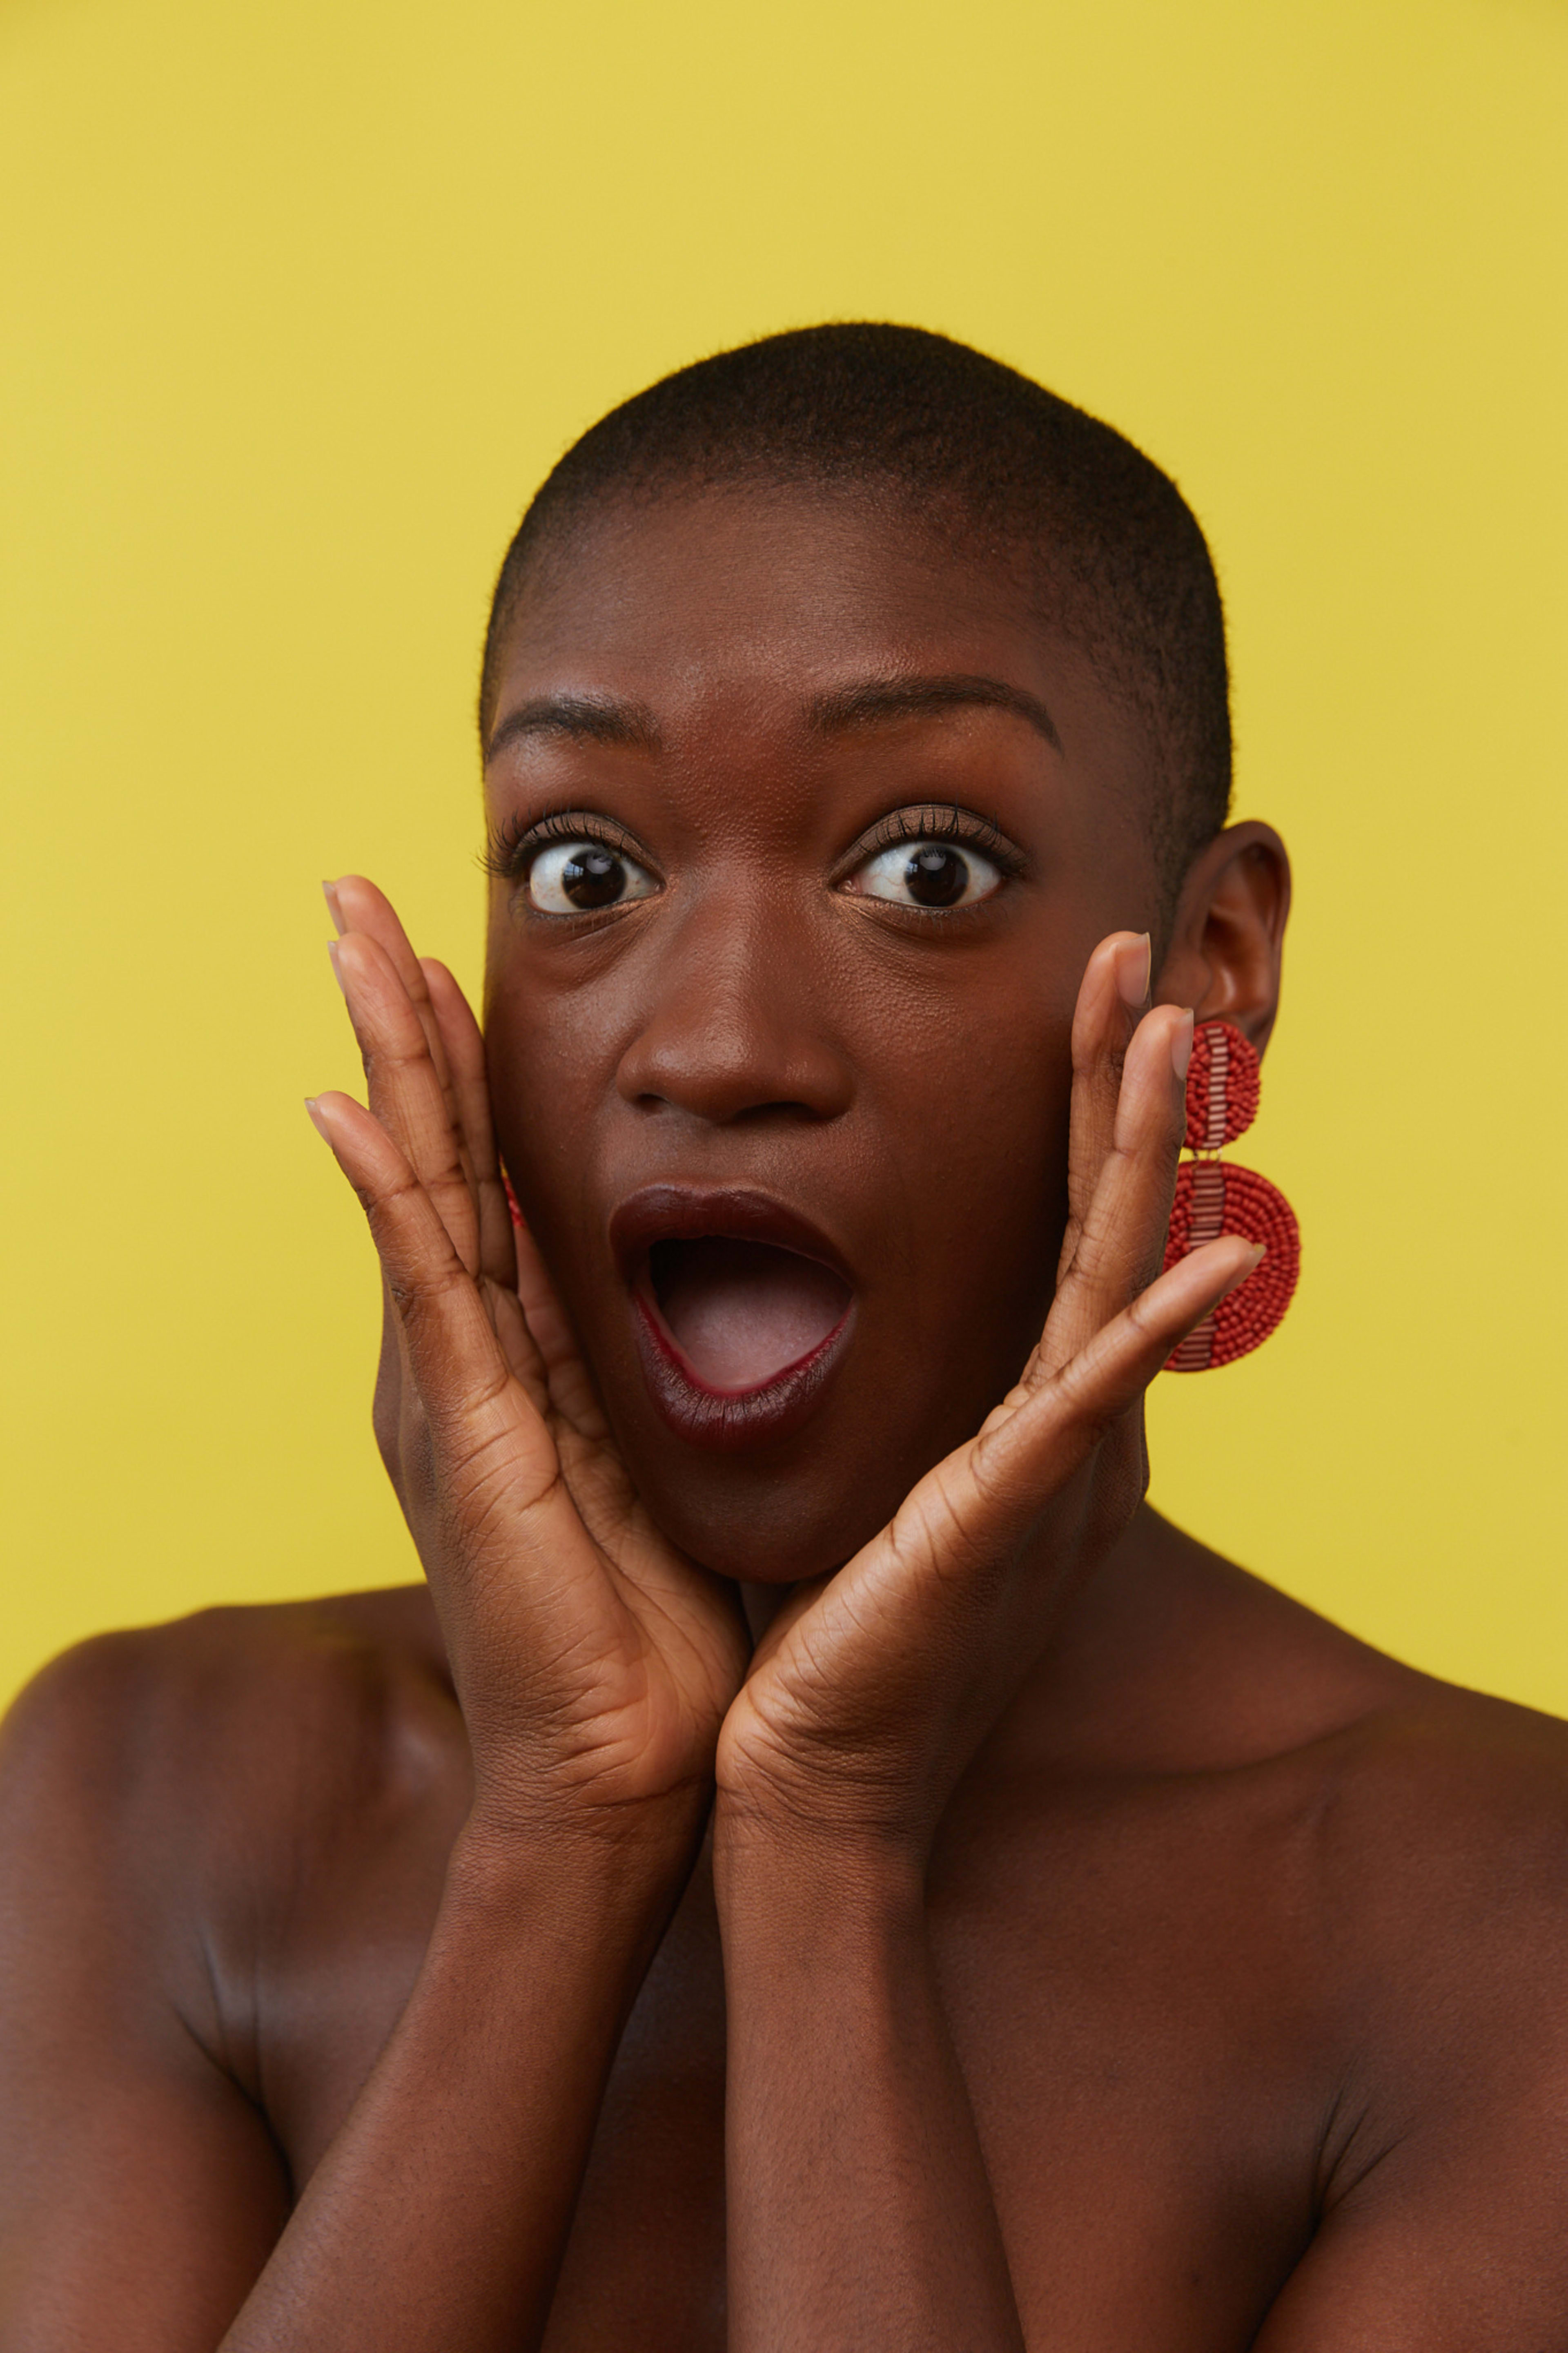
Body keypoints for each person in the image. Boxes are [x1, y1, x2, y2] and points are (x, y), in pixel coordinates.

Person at [2, 324, 1566, 2353]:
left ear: (1214, 963)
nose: (716, 1042)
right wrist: (561, 1831)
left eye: (925, 869)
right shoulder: (146, 1794)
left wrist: (828, 1848)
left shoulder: (1491, 1920)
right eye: (587, 868)